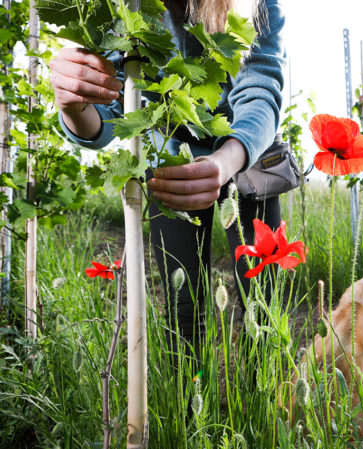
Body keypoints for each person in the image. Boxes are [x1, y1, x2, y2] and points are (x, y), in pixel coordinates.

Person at [49, 0, 285, 356]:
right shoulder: (126, 7)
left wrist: (223, 162)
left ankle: (259, 406)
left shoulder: (255, 3)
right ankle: (191, 407)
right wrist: (73, 104)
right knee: (183, 310)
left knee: (262, 302)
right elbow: (112, 113)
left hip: (246, 155)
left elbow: (261, 91)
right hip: (170, 163)